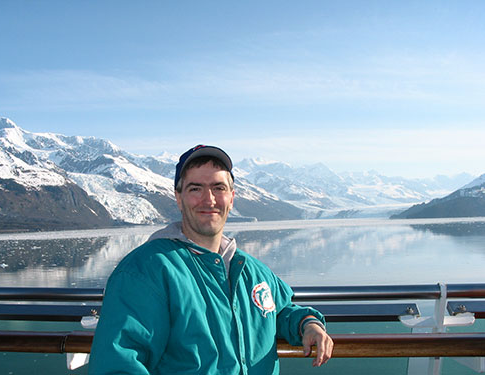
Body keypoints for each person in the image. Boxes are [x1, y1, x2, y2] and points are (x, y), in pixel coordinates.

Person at [88, 145, 333, 375]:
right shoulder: (146, 271)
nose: (209, 200)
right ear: (178, 197)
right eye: (195, 189)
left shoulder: (250, 270)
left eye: (218, 188)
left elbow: (276, 310)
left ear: (232, 197)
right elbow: (119, 363)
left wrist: (308, 324)